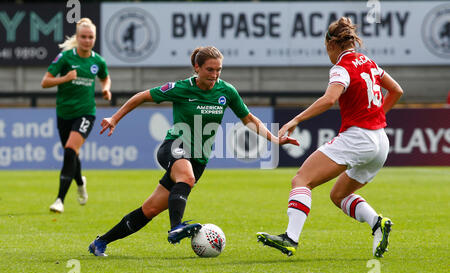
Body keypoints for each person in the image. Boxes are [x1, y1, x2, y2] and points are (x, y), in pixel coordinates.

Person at [88, 46, 299, 256]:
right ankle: (176, 227)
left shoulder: (226, 91)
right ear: (196, 68)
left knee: (150, 209)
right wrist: (114, 118)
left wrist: (274, 139)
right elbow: (143, 96)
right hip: (174, 146)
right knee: (186, 178)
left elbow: (249, 119)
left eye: (218, 70)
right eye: (210, 69)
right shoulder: (181, 88)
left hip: (199, 159)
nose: (215, 75)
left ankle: (100, 242)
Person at [257, 17, 403, 258]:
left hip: (358, 137)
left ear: (331, 45)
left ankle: (290, 237)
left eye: (326, 49)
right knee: (338, 195)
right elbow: (397, 90)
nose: (328, 54)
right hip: (380, 141)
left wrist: (296, 120)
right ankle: (377, 223)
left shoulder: (341, 67)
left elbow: (329, 99)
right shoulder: (370, 63)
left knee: (301, 179)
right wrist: (376, 114)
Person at [41, 18, 111, 213]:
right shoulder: (64, 58)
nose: (87, 40)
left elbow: (105, 77)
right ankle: (80, 181)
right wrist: (65, 78)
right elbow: (45, 82)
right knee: (72, 153)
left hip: (86, 113)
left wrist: (106, 89)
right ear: (77, 37)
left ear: (94, 38)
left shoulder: (98, 60)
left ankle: (59, 200)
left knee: (70, 149)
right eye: (83, 37)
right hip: (64, 113)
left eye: (90, 37)